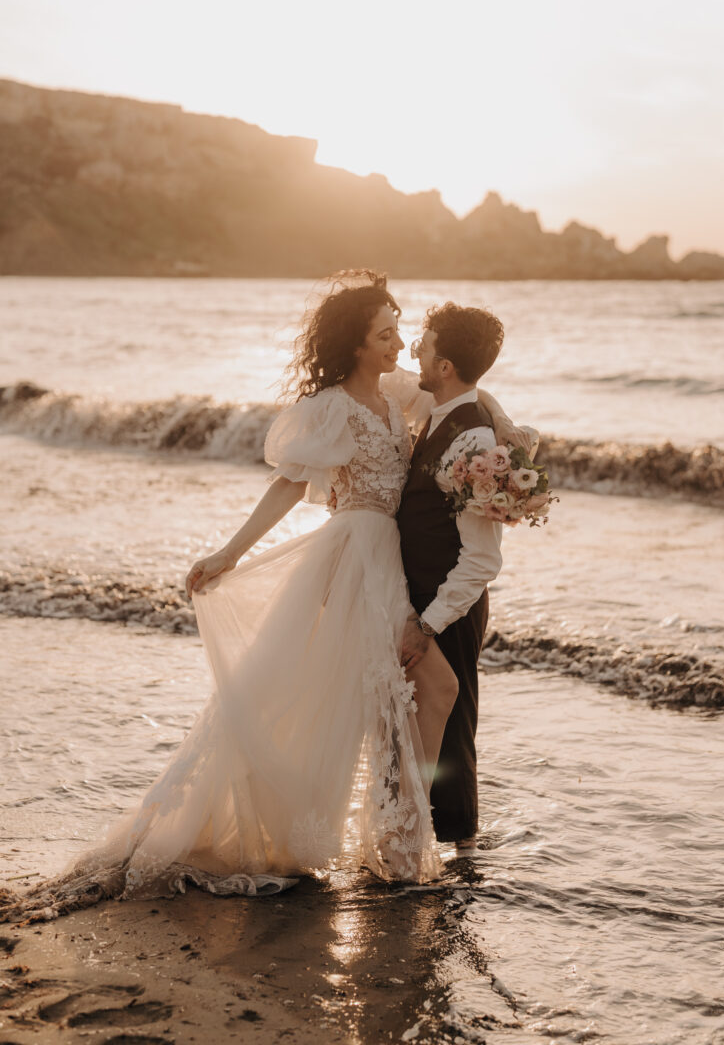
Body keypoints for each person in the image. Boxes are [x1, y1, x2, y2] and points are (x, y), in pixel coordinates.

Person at [0, 271, 526, 924]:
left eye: (401, 333)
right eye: (386, 334)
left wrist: (510, 435)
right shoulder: (331, 408)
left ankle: (397, 847)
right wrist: (231, 552)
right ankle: (400, 852)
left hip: (385, 557)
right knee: (399, 694)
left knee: (395, 699)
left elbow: (466, 396)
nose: (399, 344)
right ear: (357, 345)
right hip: (356, 554)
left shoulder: (399, 396)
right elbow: (287, 485)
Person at [397, 303, 520, 849]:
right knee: (426, 717)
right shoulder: (443, 406)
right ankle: (429, 836)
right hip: (424, 592)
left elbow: (482, 559)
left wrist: (428, 623)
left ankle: (464, 851)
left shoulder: (472, 442)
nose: (413, 350)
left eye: (423, 344)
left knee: (454, 718)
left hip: (450, 600)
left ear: (444, 365)